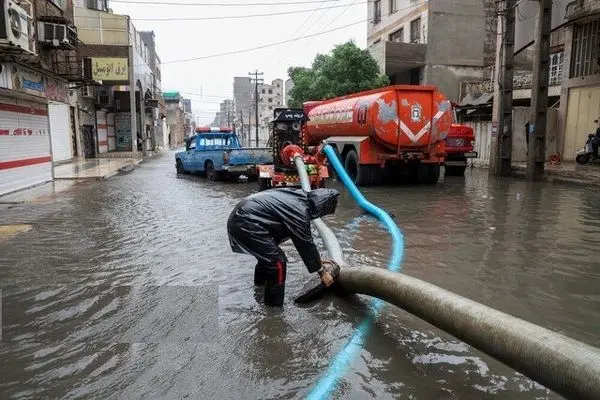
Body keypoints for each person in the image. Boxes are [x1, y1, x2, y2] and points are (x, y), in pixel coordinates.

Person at [227, 187, 340, 307]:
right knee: (278, 263)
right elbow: (304, 243)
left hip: (241, 218)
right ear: (321, 208)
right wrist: (322, 272)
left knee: (267, 258)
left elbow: (302, 241)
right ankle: (273, 309)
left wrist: (317, 261)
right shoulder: (299, 211)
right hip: (246, 222)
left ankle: (259, 288)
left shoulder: (298, 197)